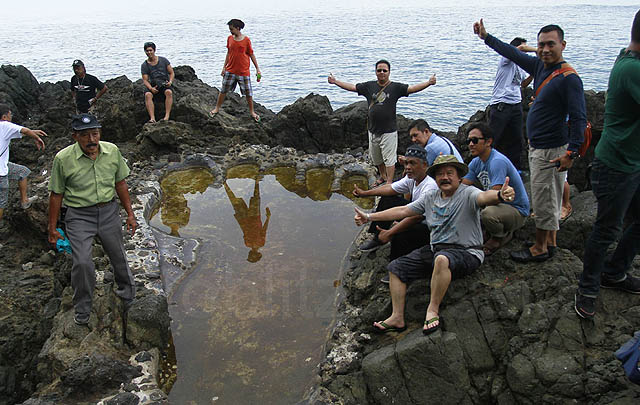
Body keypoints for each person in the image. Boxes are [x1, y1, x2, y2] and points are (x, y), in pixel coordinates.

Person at [354, 155, 515, 334]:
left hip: (467, 252)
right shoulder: (431, 196)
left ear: (459, 176)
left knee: (441, 259)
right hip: (436, 250)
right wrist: (368, 216)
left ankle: (432, 309)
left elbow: (485, 197)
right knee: (396, 267)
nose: (444, 177)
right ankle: (397, 317)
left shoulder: (468, 193)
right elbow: (403, 210)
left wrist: (500, 195)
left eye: (449, 173)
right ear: (435, 178)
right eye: (440, 174)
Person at [474, 19, 587, 263]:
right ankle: (551, 242)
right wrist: (486, 37)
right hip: (540, 145)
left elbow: (579, 117)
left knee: (544, 198)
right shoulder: (540, 66)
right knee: (551, 195)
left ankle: (539, 248)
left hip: (551, 149)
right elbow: (511, 52)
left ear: (563, 45)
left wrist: (572, 152)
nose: (545, 49)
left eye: (550, 44)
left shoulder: (568, 78)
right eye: (541, 45)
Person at [574, 10, 640, 319]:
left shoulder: (627, 58)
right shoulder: (631, 70)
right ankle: (588, 287)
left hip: (632, 163)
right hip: (616, 165)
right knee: (607, 229)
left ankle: (615, 271)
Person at [48, 114, 137, 325]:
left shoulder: (112, 151)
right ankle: (83, 307)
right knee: (82, 262)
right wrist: (52, 229)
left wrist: (130, 214)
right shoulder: (63, 158)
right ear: (75, 137)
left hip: (108, 211)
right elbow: (56, 195)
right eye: (85, 135)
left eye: (95, 134)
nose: (91, 140)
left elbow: (121, 184)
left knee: (119, 256)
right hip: (79, 216)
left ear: (100, 134)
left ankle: (128, 294)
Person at [328, 61, 437, 186]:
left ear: (389, 72)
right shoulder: (369, 86)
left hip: (389, 131)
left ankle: (389, 182)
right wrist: (335, 82)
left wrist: (428, 83)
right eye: (379, 70)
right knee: (376, 158)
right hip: (373, 130)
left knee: (389, 159)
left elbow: (412, 89)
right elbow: (352, 87)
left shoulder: (395, 87)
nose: (382, 73)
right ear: (375, 72)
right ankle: (383, 176)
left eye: (384, 70)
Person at [353, 145, 437, 260]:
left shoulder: (430, 187)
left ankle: (397, 264)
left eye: (413, 163)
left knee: (401, 231)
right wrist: (365, 193)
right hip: (413, 213)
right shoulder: (412, 178)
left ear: (424, 165)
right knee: (388, 199)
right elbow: (390, 188)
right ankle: (377, 238)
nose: (407, 167)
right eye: (406, 163)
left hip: (428, 228)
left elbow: (416, 217)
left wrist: (390, 232)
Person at [462, 122, 529, 255]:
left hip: (516, 210)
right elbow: (463, 186)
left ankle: (500, 236)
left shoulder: (497, 162)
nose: (470, 144)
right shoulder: (477, 161)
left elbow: (494, 197)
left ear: (488, 142)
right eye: (468, 141)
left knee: (487, 213)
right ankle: (489, 230)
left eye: (475, 140)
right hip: (500, 207)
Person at [488, 37, 536, 170]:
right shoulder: (506, 59)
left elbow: (523, 84)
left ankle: (516, 170)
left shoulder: (520, 66)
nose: (525, 54)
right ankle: (487, 167)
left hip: (516, 104)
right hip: (501, 104)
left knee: (516, 139)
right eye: (524, 50)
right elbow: (519, 49)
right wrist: (537, 50)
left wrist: (533, 72)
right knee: (494, 138)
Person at [0, 104, 46, 224]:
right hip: (0, 172)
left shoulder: (5, 128)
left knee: (23, 171)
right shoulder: (5, 125)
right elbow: (24, 130)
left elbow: (20, 132)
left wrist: (33, 132)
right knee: (1, 204)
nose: (12, 117)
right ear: (5, 116)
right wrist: (37, 138)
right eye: (11, 115)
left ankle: (25, 201)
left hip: (4, 165)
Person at [210, 19, 262, 122]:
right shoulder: (229, 38)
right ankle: (217, 109)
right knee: (223, 90)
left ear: (238, 28)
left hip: (243, 71)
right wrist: (224, 67)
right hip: (230, 70)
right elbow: (229, 53)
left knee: (248, 93)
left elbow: (251, 54)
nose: (230, 31)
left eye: (232, 29)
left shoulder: (246, 40)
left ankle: (252, 112)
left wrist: (257, 69)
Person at [224, 179, 271, 263]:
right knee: (234, 201)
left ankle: (256, 181)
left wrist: (268, 217)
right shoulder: (247, 244)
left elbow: (264, 230)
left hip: (254, 217)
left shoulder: (261, 243)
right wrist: (239, 220)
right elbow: (244, 230)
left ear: (258, 253)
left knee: (256, 198)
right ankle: (225, 184)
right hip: (244, 219)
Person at [141, 42, 175, 123]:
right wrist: (151, 88)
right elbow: (145, 80)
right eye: (147, 51)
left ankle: (166, 117)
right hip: (153, 85)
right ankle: (152, 118)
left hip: (164, 83)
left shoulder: (163, 60)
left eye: (150, 50)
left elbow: (171, 72)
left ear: (154, 50)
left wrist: (170, 81)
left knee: (169, 92)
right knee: (148, 95)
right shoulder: (144, 65)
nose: (149, 53)